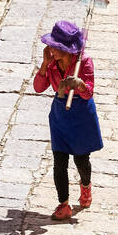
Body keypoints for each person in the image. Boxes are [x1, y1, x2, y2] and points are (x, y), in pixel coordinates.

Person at [33, 20, 103, 221]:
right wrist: (45, 64)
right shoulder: (52, 62)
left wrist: (80, 84)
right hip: (60, 115)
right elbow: (38, 87)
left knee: (81, 159)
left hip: (81, 114)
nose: (52, 50)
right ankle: (63, 204)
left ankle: (86, 186)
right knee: (59, 162)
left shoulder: (84, 62)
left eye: (56, 47)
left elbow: (89, 92)